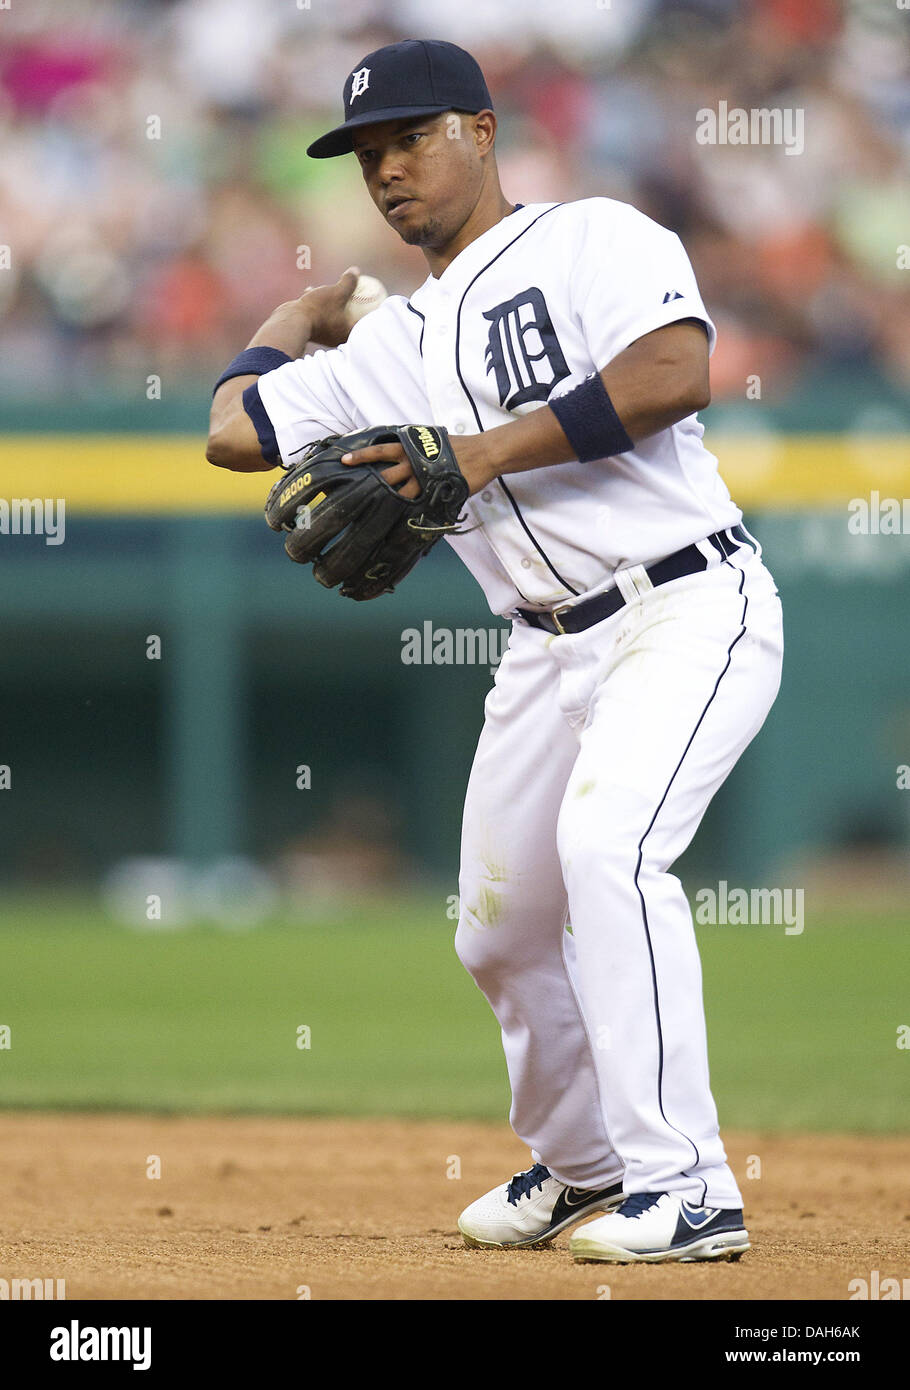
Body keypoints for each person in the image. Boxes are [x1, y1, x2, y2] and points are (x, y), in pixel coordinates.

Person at [207, 38, 784, 1264]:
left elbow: (676, 372)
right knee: (499, 930)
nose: (387, 171)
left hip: (683, 604)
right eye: (367, 155)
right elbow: (233, 433)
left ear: (479, 128)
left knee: (608, 848)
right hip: (543, 652)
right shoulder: (391, 345)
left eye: (410, 138)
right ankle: (583, 1173)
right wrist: (293, 317)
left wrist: (468, 454)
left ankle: (689, 1188)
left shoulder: (594, 237)